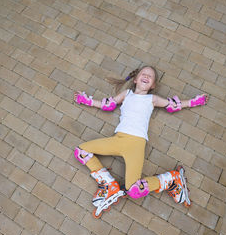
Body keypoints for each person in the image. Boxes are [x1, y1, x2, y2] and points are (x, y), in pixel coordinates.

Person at [73, 66, 208, 218]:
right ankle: (109, 185)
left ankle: (172, 179)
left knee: (134, 191)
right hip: (118, 140)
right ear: (136, 79)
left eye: (150, 76)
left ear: (153, 85)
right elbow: (107, 104)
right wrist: (87, 101)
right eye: (143, 74)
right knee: (81, 151)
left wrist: (194, 101)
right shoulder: (127, 94)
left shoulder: (152, 99)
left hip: (136, 145)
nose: (146, 76)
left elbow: (174, 105)